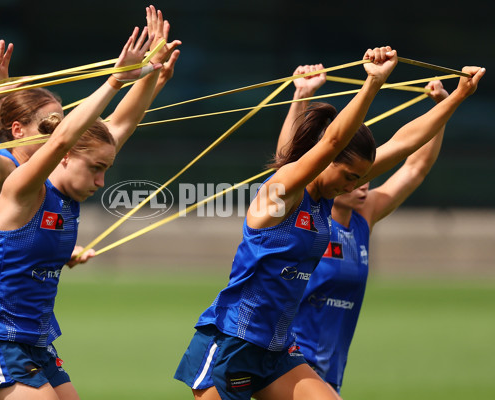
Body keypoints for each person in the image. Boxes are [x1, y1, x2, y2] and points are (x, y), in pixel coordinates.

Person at [174, 46, 484, 400]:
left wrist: (458, 96)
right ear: (326, 159)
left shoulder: (326, 199)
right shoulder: (282, 192)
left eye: (360, 178)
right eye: (350, 175)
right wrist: (372, 84)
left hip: (277, 349)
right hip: (234, 340)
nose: (355, 187)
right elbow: (335, 139)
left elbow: (403, 145)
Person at [0, 24, 160, 400]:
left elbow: (119, 126)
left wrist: (152, 72)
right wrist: (115, 81)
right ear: (63, 157)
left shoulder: (67, 194)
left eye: (105, 170)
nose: (101, 182)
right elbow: (66, 137)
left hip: (35, 341)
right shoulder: (22, 186)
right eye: (95, 169)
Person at [281, 65, 453, 395]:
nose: (362, 182)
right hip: (290, 361)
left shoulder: (365, 216)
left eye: (366, 175)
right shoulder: (307, 210)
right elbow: (290, 164)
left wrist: (442, 108)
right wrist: (301, 98)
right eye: (353, 175)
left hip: (331, 370)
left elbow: (415, 167)